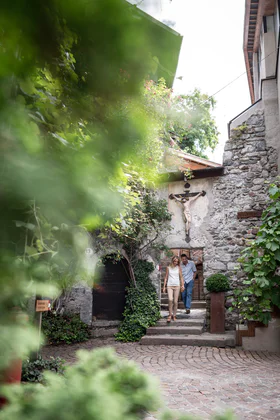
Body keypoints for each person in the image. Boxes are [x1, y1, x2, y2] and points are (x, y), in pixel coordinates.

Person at [162, 256, 184, 322]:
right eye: (174, 261)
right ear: (172, 261)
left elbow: (181, 277)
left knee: (175, 301)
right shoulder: (168, 268)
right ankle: (169, 315)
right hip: (169, 286)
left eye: (177, 261)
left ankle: (174, 315)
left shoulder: (179, 268)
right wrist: (164, 286)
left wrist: (182, 285)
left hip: (177, 286)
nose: (175, 262)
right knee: (170, 299)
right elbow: (166, 277)